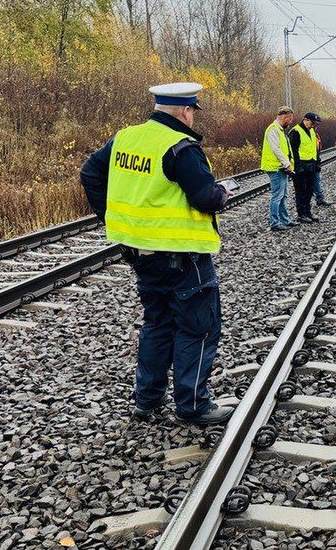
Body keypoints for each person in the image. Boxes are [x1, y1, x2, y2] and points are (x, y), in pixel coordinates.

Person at [79, 82, 233, 425]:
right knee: (198, 328)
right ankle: (193, 405)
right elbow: (205, 197)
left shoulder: (125, 138)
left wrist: (110, 216)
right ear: (186, 111)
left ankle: (146, 401)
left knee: (158, 324)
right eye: (193, 111)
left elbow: (89, 174)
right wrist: (222, 194)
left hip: (140, 254)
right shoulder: (181, 147)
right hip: (183, 256)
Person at [260, 106, 296, 231]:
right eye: (289, 119)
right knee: (277, 196)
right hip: (276, 168)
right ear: (284, 117)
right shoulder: (273, 130)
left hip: (281, 168)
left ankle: (285, 220)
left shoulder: (280, 130)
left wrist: (287, 165)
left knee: (283, 195)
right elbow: (276, 149)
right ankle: (275, 223)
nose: (290, 121)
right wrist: (287, 164)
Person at [288, 112, 321, 223]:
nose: (314, 125)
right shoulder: (295, 132)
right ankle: (301, 214)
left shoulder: (312, 131)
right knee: (301, 191)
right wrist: (297, 166)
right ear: (306, 120)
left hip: (311, 165)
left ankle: (308, 212)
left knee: (309, 190)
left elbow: (314, 149)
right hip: (300, 166)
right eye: (313, 123)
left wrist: (317, 163)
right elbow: (293, 151)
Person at [308, 114, 332, 207]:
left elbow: (317, 148)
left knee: (317, 180)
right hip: (309, 162)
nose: (316, 125)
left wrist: (317, 161)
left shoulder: (314, 133)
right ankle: (314, 201)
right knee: (312, 182)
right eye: (315, 123)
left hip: (315, 160)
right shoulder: (308, 132)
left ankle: (320, 199)